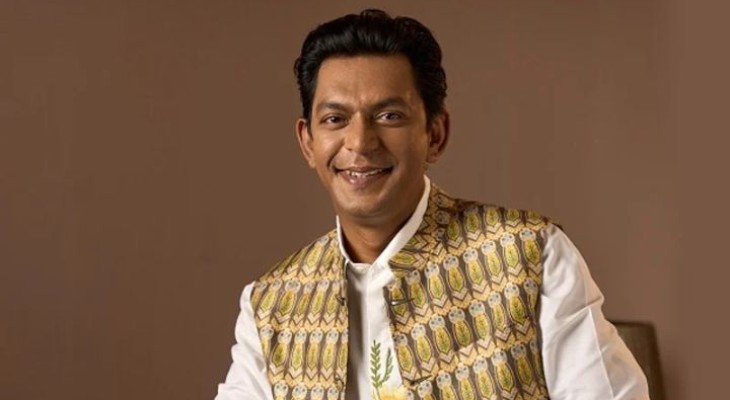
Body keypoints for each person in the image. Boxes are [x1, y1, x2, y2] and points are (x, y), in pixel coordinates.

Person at [216, 9, 649, 400]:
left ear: (435, 134)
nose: (360, 142)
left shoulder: (530, 258)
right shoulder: (271, 306)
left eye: (389, 116)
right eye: (335, 119)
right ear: (308, 142)